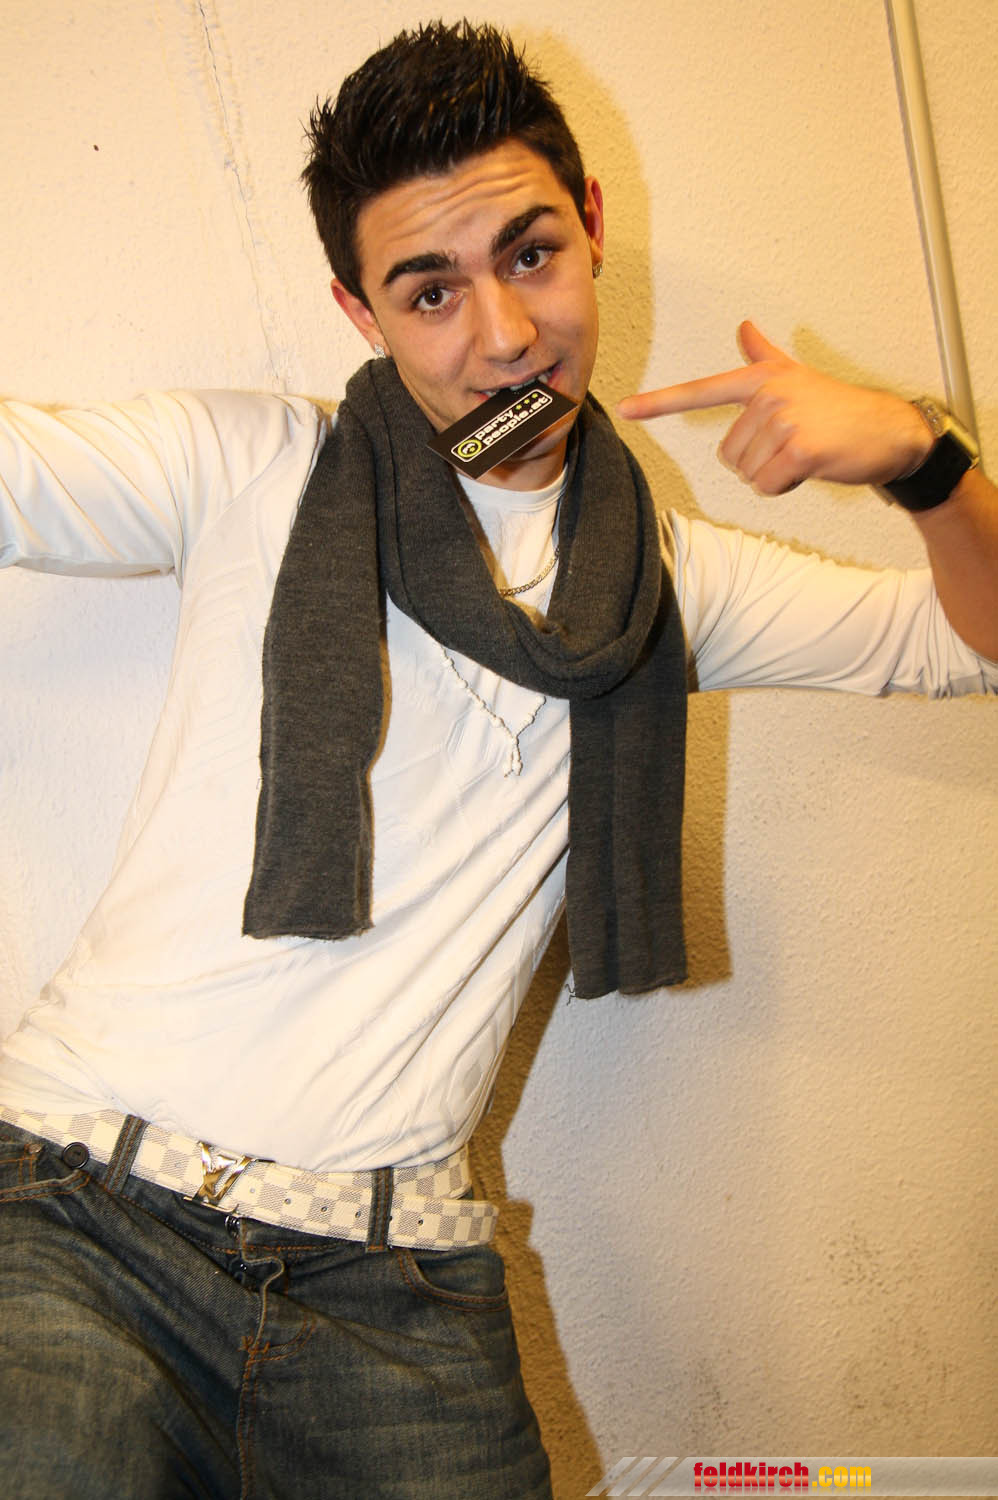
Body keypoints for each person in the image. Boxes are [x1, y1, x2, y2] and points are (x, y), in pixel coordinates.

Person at [0, 19, 994, 1500]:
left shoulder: (671, 584)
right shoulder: (250, 468)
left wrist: (926, 462)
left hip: (395, 1282)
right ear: (361, 311)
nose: (507, 336)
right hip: (80, 1212)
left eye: (530, 254)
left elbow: (972, 646)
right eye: (431, 291)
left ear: (589, 225)